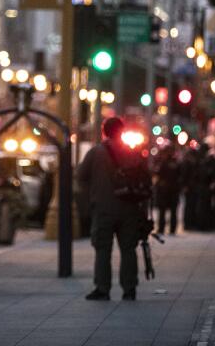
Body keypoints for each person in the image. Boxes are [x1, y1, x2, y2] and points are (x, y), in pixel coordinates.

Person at [76, 117, 149, 301]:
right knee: (128, 250)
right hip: (129, 209)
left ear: (104, 132)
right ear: (122, 131)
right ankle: (129, 288)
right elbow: (146, 181)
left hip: (103, 209)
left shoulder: (95, 153)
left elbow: (81, 176)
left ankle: (102, 288)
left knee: (102, 250)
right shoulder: (133, 152)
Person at [154, 148, 181, 235]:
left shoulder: (163, 163)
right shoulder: (176, 164)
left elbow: (157, 175)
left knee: (162, 211)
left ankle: (161, 228)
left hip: (164, 190)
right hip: (174, 190)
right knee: (173, 211)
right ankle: (172, 229)